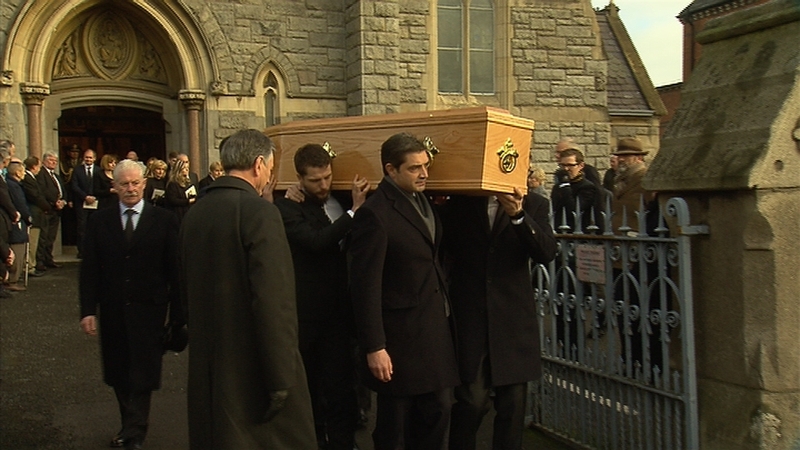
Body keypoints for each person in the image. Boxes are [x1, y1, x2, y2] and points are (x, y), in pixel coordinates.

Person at [180, 129, 315, 449]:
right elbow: (273, 300)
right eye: (270, 168)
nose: (270, 175)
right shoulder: (259, 212)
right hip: (253, 369)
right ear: (258, 164)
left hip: (211, 366)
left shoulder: (196, 212)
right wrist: (282, 378)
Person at [349, 132, 459, 450]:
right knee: (395, 428)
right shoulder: (376, 213)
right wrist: (374, 347)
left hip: (434, 330)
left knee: (438, 413)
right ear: (390, 170)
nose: (424, 173)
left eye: (426, 165)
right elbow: (364, 285)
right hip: (399, 341)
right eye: (414, 168)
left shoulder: (426, 201)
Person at [79, 159, 184, 450]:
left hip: (149, 311)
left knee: (142, 372)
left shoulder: (163, 220)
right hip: (112, 310)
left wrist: (178, 316)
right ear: (113, 186)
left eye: (135, 183)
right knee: (118, 372)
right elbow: (90, 270)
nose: (130, 189)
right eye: (124, 184)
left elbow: (175, 271)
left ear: (145, 184)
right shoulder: (100, 221)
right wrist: (88, 310)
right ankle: (130, 425)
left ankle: (134, 432)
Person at [441, 187, 556, 449]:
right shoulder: (464, 201)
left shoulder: (536, 204)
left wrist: (518, 216)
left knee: (512, 406)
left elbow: (547, 252)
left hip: (513, 319)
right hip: (471, 315)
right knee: (471, 401)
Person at [275, 143, 368, 450]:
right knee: (310, 385)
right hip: (308, 313)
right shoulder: (289, 207)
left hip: (340, 312)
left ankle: (344, 441)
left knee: (342, 383)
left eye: (327, 177)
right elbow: (317, 241)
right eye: (315, 180)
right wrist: (354, 210)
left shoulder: (341, 196)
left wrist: (352, 204)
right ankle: (313, 439)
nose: (324, 185)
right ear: (299, 178)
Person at [551, 148, 601, 233]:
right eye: (562, 165)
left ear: (581, 165)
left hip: (577, 232)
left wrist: (565, 186)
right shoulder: (557, 187)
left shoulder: (587, 187)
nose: (566, 169)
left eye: (570, 165)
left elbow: (574, 210)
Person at [35, 152, 66, 271]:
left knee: (51, 237)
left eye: (55, 161)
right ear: (44, 161)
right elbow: (42, 191)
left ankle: (49, 259)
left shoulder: (56, 176)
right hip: (47, 209)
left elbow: (62, 190)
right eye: (51, 160)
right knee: (44, 237)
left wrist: (63, 200)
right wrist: (54, 202)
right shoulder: (41, 174)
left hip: (57, 211)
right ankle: (40, 261)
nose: (53, 163)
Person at [6, 162, 32, 291]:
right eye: (22, 171)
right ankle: (13, 279)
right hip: (17, 221)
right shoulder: (14, 187)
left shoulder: (9, 184)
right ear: (17, 173)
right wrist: (28, 217)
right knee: (18, 248)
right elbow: (20, 203)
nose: (24, 174)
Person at [22, 156, 47, 277]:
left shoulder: (32, 178)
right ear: (34, 166)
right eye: (38, 166)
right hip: (33, 213)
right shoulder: (27, 178)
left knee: (36, 242)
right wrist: (47, 206)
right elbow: (35, 196)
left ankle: (32, 265)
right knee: (32, 242)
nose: (39, 169)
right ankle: (30, 267)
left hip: (38, 213)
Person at [71, 149, 98, 258]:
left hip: (95, 203)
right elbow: (74, 186)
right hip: (81, 202)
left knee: (94, 227)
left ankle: (94, 250)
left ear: (94, 159)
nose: (88, 159)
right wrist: (85, 197)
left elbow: (100, 186)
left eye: (90, 157)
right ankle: (82, 251)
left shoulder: (98, 170)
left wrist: (93, 197)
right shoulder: (77, 170)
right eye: (86, 157)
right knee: (82, 227)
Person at [164, 159, 196, 224]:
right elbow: (173, 200)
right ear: (179, 169)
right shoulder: (173, 183)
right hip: (177, 214)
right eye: (184, 168)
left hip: (188, 213)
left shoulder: (188, 182)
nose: (187, 170)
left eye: (187, 168)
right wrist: (187, 201)